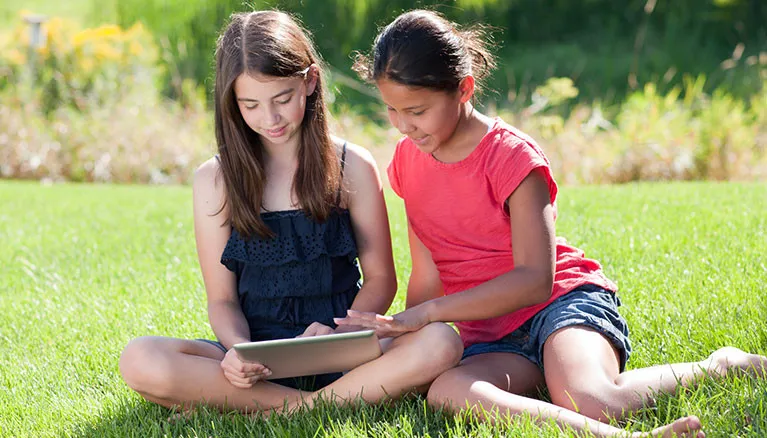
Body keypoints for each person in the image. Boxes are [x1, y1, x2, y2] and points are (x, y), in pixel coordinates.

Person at [339, 9, 767, 437]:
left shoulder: (512, 158)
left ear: (464, 89)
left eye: (416, 110)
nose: (403, 126)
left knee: (596, 401)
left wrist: (431, 312)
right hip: (489, 334)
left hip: (559, 306)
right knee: (448, 391)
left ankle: (720, 366)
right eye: (392, 110)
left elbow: (534, 280)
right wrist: (406, 329)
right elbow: (428, 273)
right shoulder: (408, 162)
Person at [118, 10, 463, 415]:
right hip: (258, 355)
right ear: (232, 103)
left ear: (310, 81)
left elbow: (381, 280)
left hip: (342, 348)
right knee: (140, 359)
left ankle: (276, 407)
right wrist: (237, 352)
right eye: (251, 105)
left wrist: (338, 331)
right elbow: (223, 301)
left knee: (442, 341)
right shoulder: (215, 179)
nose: (271, 118)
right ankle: (316, 404)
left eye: (282, 99)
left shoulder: (352, 165)